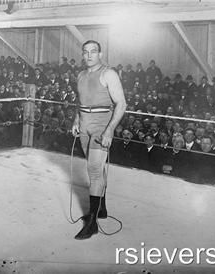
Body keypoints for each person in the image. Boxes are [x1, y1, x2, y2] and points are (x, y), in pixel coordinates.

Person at [72, 40, 126, 240]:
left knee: (94, 171)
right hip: (85, 124)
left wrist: (110, 130)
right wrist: (77, 120)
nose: (89, 55)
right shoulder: (81, 75)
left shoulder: (108, 73)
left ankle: (92, 222)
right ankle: (101, 208)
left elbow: (121, 103)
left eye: (93, 52)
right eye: (85, 52)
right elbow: (81, 101)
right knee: (96, 166)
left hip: (101, 125)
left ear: (100, 54)